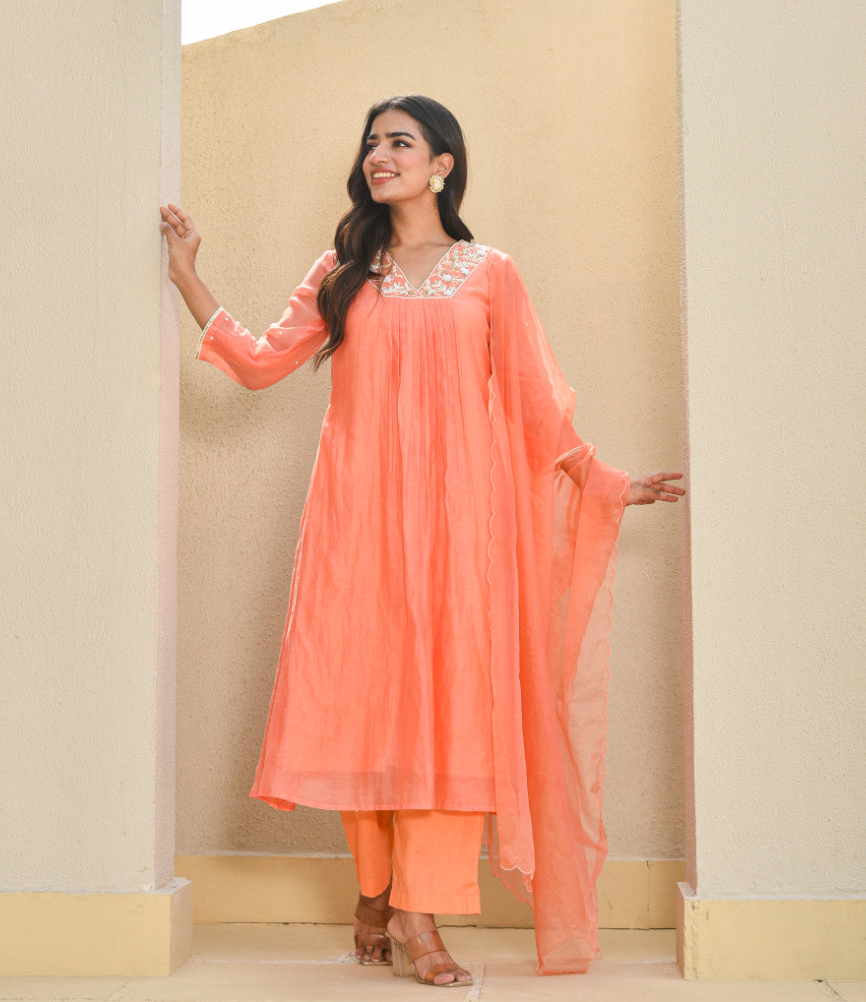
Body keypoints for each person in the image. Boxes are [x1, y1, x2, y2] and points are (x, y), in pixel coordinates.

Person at [160, 94, 684, 987]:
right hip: (355, 525)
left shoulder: (490, 273)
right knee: (365, 707)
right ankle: (376, 890)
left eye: (399, 141)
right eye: (371, 142)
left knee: (453, 714)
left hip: (459, 531)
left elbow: (533, 403)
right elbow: (256, 364)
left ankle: (417, 913)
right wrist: (185, 276)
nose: (378, 155)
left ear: (443, 163)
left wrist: (603, 482)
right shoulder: (345, 267)